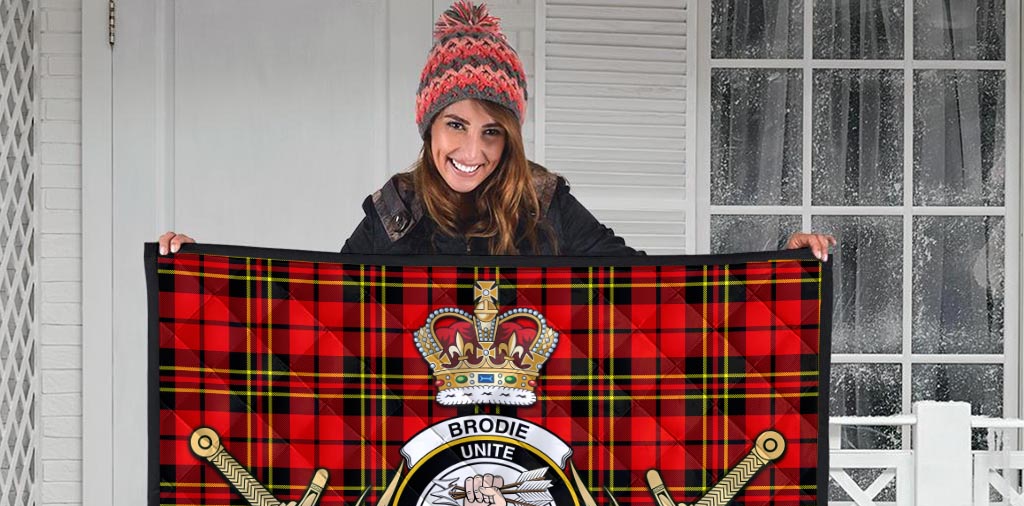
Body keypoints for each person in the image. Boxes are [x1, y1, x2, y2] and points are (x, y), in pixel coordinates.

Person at [159, 2, 834, 261]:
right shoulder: (394, 213)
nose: (472, 151)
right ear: (429, 127)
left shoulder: (545, 204)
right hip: (418, 459)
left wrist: (783, 263)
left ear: (511, 137)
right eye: (456, 126)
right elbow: (317, 313)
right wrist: (199, 270)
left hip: (536, 455)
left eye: (492, 132)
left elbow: (651, 291)